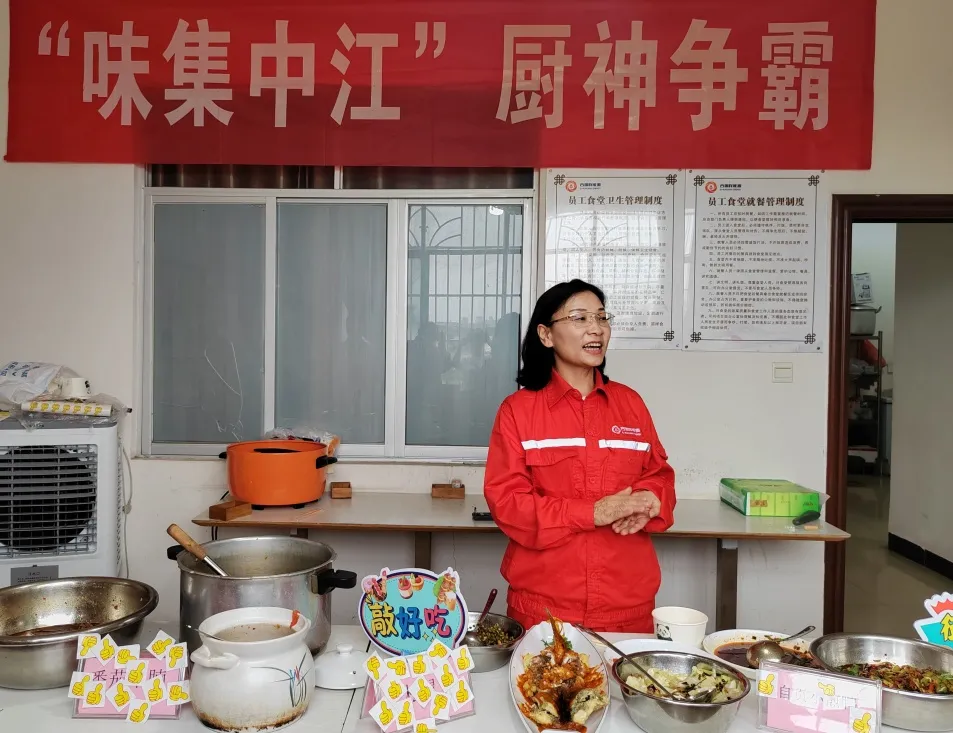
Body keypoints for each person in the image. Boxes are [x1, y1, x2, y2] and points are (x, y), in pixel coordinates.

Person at [483, 280, 676, 633]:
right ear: (546, 335)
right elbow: (509, 504)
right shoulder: (518, 411)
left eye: (601, 317)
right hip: (543, 608)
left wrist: (651, 498)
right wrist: (593, 512)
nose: (596, 328)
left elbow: (660, 476)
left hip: (627, 606)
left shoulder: (630, 404)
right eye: (579, 318)